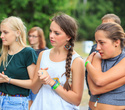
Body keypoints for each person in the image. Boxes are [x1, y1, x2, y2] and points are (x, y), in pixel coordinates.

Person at [30, 13, 85, 110]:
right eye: (50, 31)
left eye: (57, 33)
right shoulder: (43, 55)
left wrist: (51, 82)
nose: (51, 36)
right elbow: (34, 90)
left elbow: (76, 100)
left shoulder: (77, 61)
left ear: (68, 37)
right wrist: (40, 79)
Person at [0, 16, 37, 110]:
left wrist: (9, 80)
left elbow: (34, 84)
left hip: (15, 103)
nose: (1, 36)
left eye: (5, 32)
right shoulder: (2, 54)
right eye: (1, 32)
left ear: (17, 33)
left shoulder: (28, 52)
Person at [86, 22, 125, 110]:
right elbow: (93, 90)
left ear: (116, 42)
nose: (97, 48)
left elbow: (99, 80)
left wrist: (87, 64)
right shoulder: (96, 56)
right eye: (96, 43)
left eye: (102, 43)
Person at [85, 13, 121, 95]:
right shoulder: (95, 49)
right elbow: (90, 75)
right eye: (102, 26)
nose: (104, 29)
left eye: (108, 26)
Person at [27, 26, 48, 109]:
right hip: (28, 85)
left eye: (34, 36)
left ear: (40, 37)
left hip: (38, 85)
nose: (31, 38)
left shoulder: (45, 52)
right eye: (30, 35)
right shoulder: (27, 51)